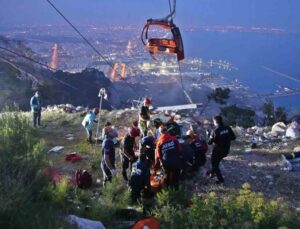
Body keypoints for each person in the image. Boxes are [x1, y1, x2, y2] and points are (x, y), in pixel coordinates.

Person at [207, 115, 236, 184]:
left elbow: (209, 142)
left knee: (214, 164)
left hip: (217, 151)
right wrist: (226, 139)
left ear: (215, 121)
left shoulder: (215, 131)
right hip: (226, 150)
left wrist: (208, 135)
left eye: (213, 121)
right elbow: (233, 137)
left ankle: (220, 180)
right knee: (216, 163)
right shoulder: (228, 128)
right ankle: (212, 173)